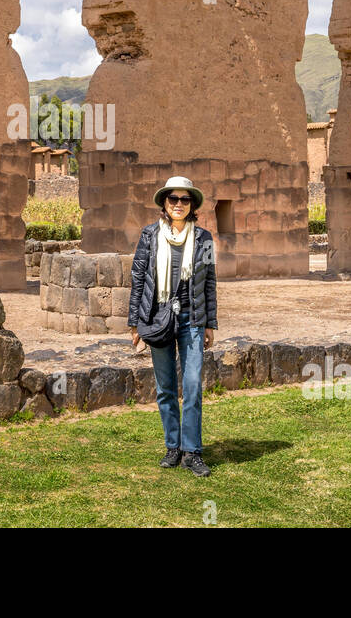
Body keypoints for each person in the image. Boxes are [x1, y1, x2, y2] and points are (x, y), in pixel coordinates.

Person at [128, 175, 217, 477]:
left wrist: (210, 324)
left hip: (192, 319)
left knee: (192, 385)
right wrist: (135, 323)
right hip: (158, 317)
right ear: (164, 204)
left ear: (192, 205)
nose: (178, 204)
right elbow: (138, 280)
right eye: (173, 199)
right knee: (165, 387)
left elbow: (210, 284)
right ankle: (173, 446)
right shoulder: (149, 236)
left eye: (185, 199)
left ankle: (192, 451)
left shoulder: (204, 239)